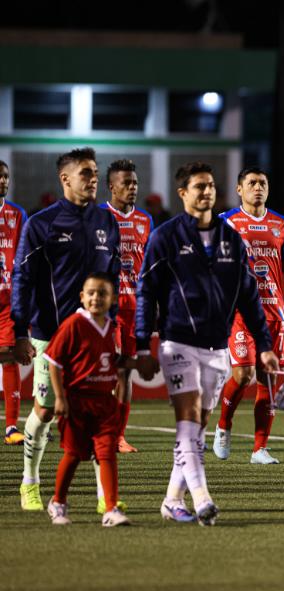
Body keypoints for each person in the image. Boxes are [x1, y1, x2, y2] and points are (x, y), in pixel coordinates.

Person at [135, 162, 277, 526]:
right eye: (199, 186)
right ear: (183, 193)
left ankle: (171, 499)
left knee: (197, 426)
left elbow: (248, 296)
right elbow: (146, 292)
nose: (207, 192)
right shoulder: (165, 237)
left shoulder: (230, 238)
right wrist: (140, 345)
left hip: (217, 346)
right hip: (177, 342)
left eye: (211, 186)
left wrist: (263, 344)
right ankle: (202, 499)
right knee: (187, 421)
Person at [12, 147, 121, 512]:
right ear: (65, 179)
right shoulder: (41, 224)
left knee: (98, 412)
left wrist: (116, 325)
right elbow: (22, 278)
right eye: (86, 173)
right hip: (51, 335)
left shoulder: (108, 223)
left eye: (95, 173)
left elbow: (114, 278)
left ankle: (104, 495)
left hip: (97, 338)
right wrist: (19, 331)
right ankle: (29, 481)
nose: (93, 180)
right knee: (45, 410)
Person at [212, 167, 284, 465]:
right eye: (251, 183)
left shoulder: (281, 224)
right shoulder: (226, 222)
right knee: (243, 374)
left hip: (274, 312)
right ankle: (224, 425)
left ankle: (259, 449)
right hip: (240, 311)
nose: (258, 188)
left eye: (263, 183)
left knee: (269, 380)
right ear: (239, 190)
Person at [44, 273, 132, 527]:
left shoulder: (110, 327)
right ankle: (58, 502)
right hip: (77, 401)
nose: (96, 298)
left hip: (105, 403)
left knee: (107, 454)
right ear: (82, 297)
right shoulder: (73, 324)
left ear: (113, 299)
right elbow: (54, 362)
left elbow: (108, 360)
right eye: (91, 293)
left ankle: (111, 508)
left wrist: (133, 364)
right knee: (73, 454)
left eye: (102, 293)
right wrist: (60, 397)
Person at [102, 159, 153, 455]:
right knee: (106, 370)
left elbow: (150, 266)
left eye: (135, 183)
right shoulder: (97, 216)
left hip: (136, 308)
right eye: (126, 183)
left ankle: (118, 436)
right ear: (112, 186)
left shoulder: (145, 220)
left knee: (125, 373)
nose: (132, 188)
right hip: (105, 310)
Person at [0, 160, 27, 446]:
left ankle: (11, 426)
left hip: (7, 299)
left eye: (5, 177)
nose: (2, 181)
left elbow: (23, 256)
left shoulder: (17, 214)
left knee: (9, 357)